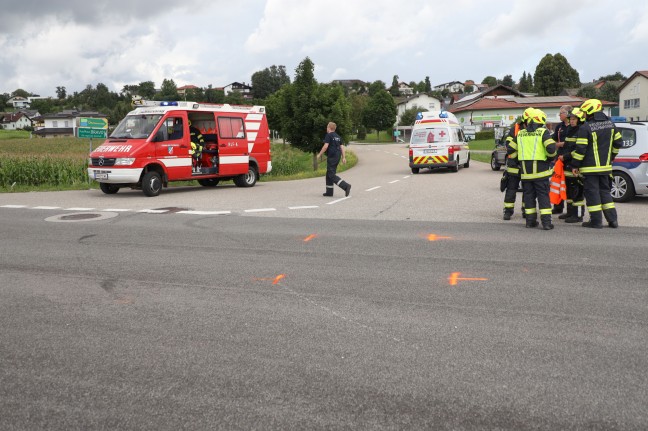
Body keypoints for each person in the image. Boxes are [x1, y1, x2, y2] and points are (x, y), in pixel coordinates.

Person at [571, 99, 623, 228]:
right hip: (605, 167)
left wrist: (575, 165)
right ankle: (613, 220)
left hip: (590, 168)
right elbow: (618, 143)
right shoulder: (610, 124)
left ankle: (596, 221)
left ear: (590, 111)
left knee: (592, 193)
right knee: (605, 192)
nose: (582, 115)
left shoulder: (585, 127)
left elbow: (580, 150)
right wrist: (611, 156)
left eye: (584, 112)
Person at [508, 109, 557, 230]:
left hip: (526, 174)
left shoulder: (520, 133)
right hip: (541, 173)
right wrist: (549, 159)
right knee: (543, 197)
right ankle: (546, 223)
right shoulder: (542, 132)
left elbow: (510, 150)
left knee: (529, 197)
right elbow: (551, 149)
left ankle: (530, 222)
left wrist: (518, 160)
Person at [502, 107, 535, 220]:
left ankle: (526, 211)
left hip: (527, 164)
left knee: (528, 190)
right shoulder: (515, 129)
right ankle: (508, 211)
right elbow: (508, 145)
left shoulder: (535, 130)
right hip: (514, 164)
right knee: (511, 189)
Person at [559, 108, 586, 223]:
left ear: (579, 120)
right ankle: (570, 212)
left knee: (577, 192)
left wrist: (565, 157)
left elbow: (578, 150)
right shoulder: (570, 130)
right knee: (569, 191)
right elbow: (567, 146)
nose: (572, 121)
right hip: (568, 166)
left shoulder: (581, 130)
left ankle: (578, 215)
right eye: (571, 119)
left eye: (574, 119)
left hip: (576, 166)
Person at [317, 122, 351, 197]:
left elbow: (325, 146)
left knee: (331, 174)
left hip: (332, 156)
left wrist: (319, 154)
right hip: (337, 156)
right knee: (328, 174)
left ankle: (346, 186)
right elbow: (342, 147)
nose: (326, 128)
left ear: (329, 128)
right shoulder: (338, 136)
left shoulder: (328, 135)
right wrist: (343, 157)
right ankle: (329, 192)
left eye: (327, 127)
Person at [551, 105, 572, 216]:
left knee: (568, 185)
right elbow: (554, 138)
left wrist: (561, 144)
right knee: (557, 182)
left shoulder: (573, 126)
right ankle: (558, 206)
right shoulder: (559, 126)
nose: (560, 115)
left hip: (569, 158)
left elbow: (572, 142)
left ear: (568, 114)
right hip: (559, 159)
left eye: (561, 113)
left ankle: (570, 211)